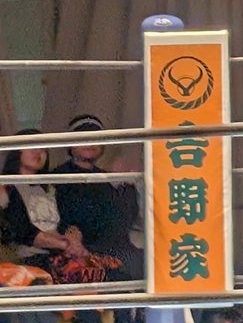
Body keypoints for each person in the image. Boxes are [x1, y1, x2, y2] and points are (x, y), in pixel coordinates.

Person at [52, 114, 142, 280]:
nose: (90, 143)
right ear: (70, 143)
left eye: (95, 138)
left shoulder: (107, 179)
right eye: (83, 137)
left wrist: (126, 185)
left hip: (117, 249)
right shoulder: (57, 177)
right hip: (81, 251)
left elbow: (126, 218)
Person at [1, 130, 88, 272]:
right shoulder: (7, 187)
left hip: (62, 254)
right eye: (32, 147)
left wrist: (74, 239)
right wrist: (65, 246)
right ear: (17, 151)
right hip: (28, 259)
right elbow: (22, 231)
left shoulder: (52, 188)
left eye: (43, 149)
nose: (38, 153)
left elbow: (68, 220)